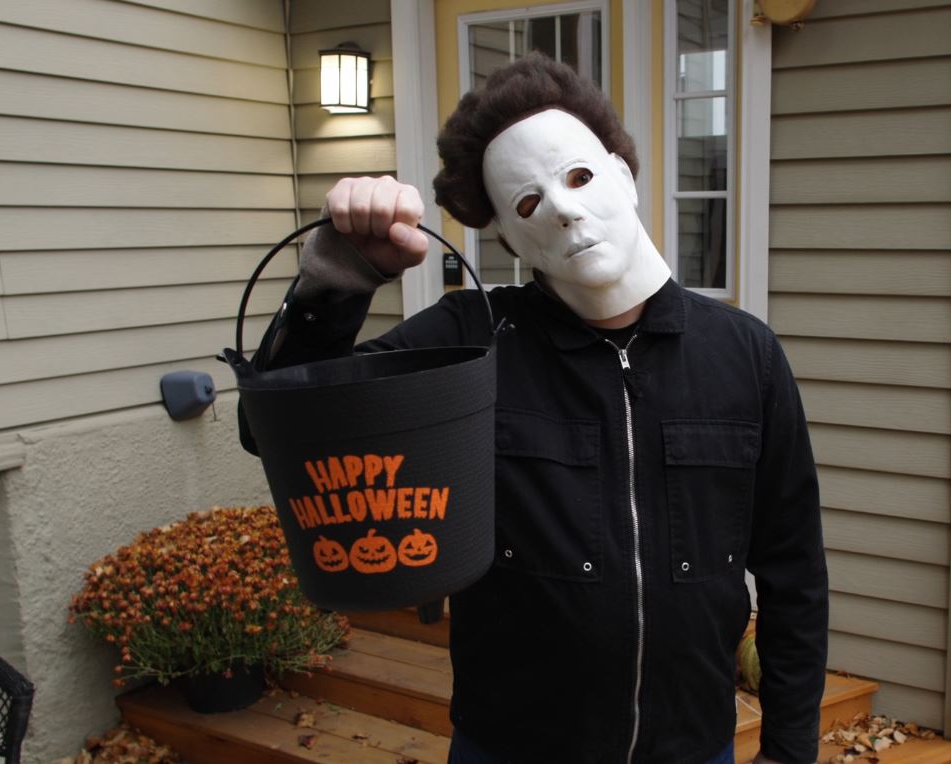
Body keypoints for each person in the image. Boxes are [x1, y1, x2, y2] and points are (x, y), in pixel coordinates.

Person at [249, 54, 828, 764]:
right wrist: (336, 285)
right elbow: (275, 427)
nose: (560, 207)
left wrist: (789, 749)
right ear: (510, 239)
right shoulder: (472, 340)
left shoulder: (745, 356)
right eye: (526, 203)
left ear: (621, 171)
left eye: (579, 176)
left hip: (690, 745)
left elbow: (793, 568)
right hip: (514, 746)